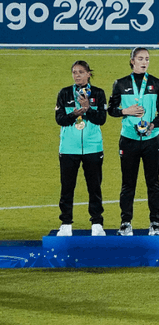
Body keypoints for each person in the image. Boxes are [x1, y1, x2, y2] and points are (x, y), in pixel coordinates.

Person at [108, 48, 159, 236]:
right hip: (129, 140)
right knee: (128, 183)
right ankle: (125, 223)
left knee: (153, 183)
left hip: (151, 140)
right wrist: (125, 111)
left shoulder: (157, 84)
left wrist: (153, 124)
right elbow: (111, 110)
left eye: (147, 59)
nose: (144, 62)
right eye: (140, 58)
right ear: (132, 61)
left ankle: (155, 223)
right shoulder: (120, 83)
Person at [56, 60, 108, 237]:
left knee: (94, 187)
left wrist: (88, 109)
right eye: (74, 72)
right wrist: (74, 114)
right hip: (69, 148)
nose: (77, 75)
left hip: (93, 147)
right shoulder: (64, 93)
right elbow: (60, 119)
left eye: (80, 72)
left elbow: (101, 119)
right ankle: (65, 223)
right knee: (67, 187)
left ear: (88, 74)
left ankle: (97, 223)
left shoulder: (98, 93)